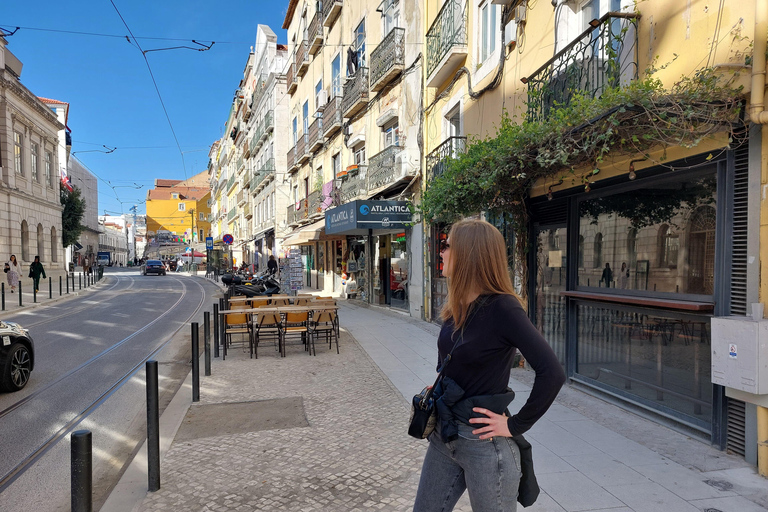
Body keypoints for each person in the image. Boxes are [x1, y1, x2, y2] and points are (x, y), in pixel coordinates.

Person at [413, 219, 565, 512]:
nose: (441, 251)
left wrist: (514, 424)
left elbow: (552, 372)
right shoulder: (456, 303)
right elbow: (452, 356)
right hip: (445, 435)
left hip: (484, 444)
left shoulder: (503, 308)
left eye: (447, 246)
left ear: (470, 254)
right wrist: (443, 384)